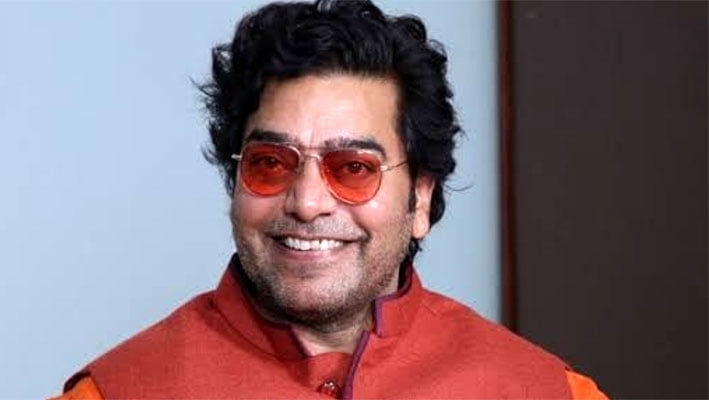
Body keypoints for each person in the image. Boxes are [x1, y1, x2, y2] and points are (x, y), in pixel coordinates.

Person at [53, 0, 608, 399]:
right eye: (271, 163)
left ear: (420, 200)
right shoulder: (116, 392)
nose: (307, 201)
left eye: (353, 168)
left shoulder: (549, 391)